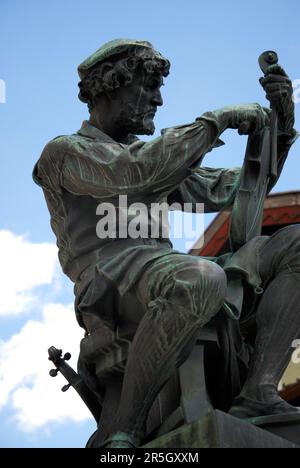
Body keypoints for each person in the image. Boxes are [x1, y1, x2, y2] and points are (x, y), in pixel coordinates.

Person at [33, 39, 300, 448]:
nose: (158, 100)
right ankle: (127, 427)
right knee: (198, 276)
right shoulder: (66, 153)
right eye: (147, 86)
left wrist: (278, 131)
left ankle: (258, 392)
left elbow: (237, 187)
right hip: (110, 281)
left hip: (163, 272)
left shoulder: (158, 163)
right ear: (110, 86)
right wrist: (216, 121)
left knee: (294, 244)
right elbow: (133, 173)